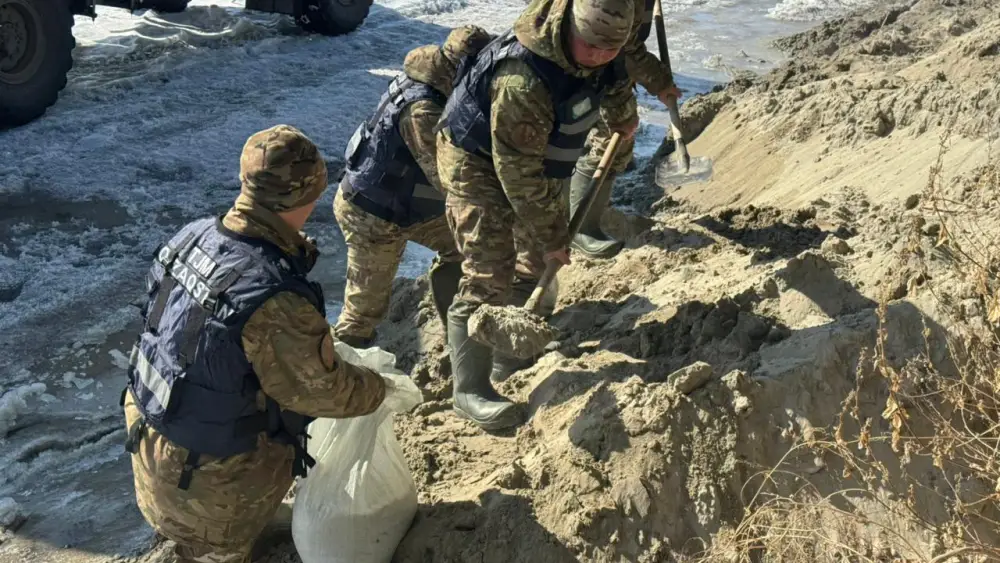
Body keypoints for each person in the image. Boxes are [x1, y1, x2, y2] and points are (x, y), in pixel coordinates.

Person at [121, 124, 387, 563]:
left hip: (150, 456)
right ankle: (221, 546)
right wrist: (380, 387)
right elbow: (328, 393)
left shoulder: (192, 237)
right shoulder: (272, 297)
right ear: (310, 194)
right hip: (207, 496)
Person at [435, 0, 638, 430]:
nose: (600, 55)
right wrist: (554, 235)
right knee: (489, 271)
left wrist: (623, 119)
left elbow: (616, 79)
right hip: (475, 161)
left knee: (533, 262)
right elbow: (517, 173)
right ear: (570, 29)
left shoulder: (605, 43)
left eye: (610, 48)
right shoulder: (522, 78)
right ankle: (468, 390)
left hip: (537, 153)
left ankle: (510, 354)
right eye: (592, 46)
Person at [333, 25, 493, 349]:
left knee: (468, 248)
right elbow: (449, 178)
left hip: (408, 203)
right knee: (362, 315)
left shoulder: (440, 86)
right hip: (371, 216)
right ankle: (344, 369)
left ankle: (458, 332)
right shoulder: (422, 110)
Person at [569, 0, 684, 258]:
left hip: (602, 53)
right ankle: (581, 227)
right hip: (587, 55)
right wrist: (659, 81)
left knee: (604, 131)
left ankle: (584, 206)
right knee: (611, 137)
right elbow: (624, 47)